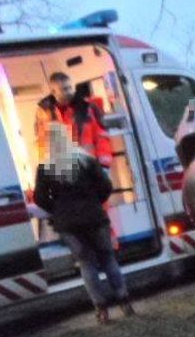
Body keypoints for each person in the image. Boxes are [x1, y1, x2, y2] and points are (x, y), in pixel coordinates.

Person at [34, 123, 134, 323]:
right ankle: (124, 301)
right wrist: (95, 201)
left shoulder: (45, 168)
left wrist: (58, 210)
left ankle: (101, 310)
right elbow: (106, 186)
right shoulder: (86, 161)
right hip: (95, 218)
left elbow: (39, 198)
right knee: (108, 259)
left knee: (86, 264)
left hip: (69, 225)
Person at [35, 71, 113, 168]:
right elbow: (42, 142)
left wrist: (104, 162)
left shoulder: (86, 107)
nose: (69, 92)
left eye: (70, 88)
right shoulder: (44, 113)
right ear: (53, 92)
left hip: (88, 166)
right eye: (64, 89)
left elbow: (100, 135)